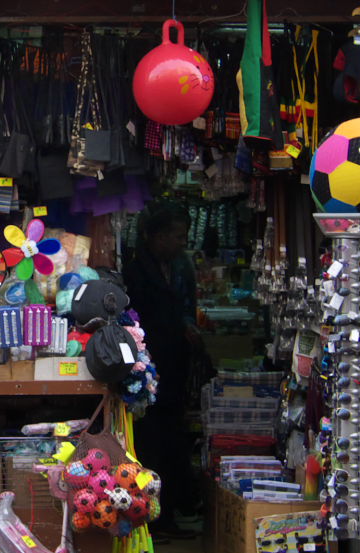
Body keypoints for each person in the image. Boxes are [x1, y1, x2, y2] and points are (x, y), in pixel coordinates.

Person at [124, 204, 209, 537]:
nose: (181, 242)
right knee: (151, 440)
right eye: (176, 236)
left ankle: (170, 511)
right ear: (156, 236)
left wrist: (188, 326)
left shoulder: (180, 266)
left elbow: (187, 306)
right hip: (148, 367)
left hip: (174, 365)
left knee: (173, 438)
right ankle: (155, 519)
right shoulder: (135, 271)